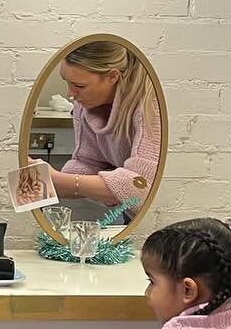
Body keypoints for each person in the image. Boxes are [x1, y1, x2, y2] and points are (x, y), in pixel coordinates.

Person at [37, 39, 162, 210]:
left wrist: (57, 180)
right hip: (134, 216)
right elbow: (88, 164)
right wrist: (36, 182)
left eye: (79, 85)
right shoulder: (84, 105)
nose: (70, 94)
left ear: (113, 76)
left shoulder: (151, 102)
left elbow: (141, 186)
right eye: (66, 81)